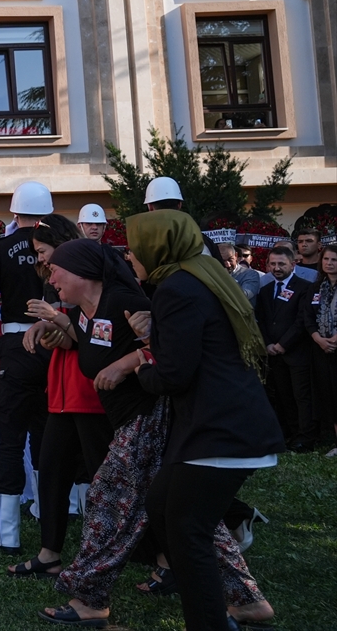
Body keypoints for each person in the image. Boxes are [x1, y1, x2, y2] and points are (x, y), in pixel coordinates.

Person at [131, 210, 281, 631]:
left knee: (187, 533)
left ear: (158, 245)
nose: (130, 254)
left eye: (135, 245)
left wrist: (142, 368)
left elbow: (174, 373)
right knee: (161, 506)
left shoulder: (176, 288)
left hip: (220, 429)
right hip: (223, 423)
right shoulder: (197, 276)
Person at [8, 221, 113, 579]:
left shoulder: (103, 289)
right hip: (63, 397)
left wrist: (54, 322)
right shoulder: (65, 289)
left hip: (90, 397)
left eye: (43, 254)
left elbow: (88, 340)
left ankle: (147, 554)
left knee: (107, 478)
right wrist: (50, 325)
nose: (44, 267)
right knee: (51, 472)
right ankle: (49, 552)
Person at [0, 181, 53, 552]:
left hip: (14, 346)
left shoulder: (0, 249)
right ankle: (50, 513)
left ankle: (6, 534)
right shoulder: (59, 247)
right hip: (55, 344)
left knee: (10, 441)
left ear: (14, 212)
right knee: (47, 435)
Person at [256, 246, 315, 452]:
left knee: (302, 396)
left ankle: (305, 438)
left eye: (281, 263)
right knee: (282, 396)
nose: (276, 267)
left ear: (293, 264)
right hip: (273, 353)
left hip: (296, 352)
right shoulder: (264, 290)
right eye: (272, 263)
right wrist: (268, 344)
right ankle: (287, 433)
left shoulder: (306, 287)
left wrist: (283, 344)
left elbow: (302, 320)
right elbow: (261, 320)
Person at [300, 244, 337, 457]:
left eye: (334, 260)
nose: (329, 263)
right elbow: (307, 316)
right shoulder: (316, 287)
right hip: (321, 348)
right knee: (329, 395)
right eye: (326, 260)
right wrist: (317, 338)